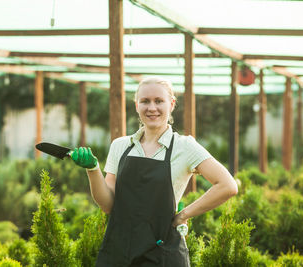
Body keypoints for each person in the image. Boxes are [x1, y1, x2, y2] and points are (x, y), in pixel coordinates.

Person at [71, 77, 238, 267]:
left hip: (163, 254)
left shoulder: (184, 146)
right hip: (119, 251)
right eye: (145, 101)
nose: (152, 108)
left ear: (172, 104)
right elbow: (108, 205)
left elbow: (227, 186)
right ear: (136, 105)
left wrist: (184, 215)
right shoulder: (120, 146)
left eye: (159, 101)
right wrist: (93, 170)